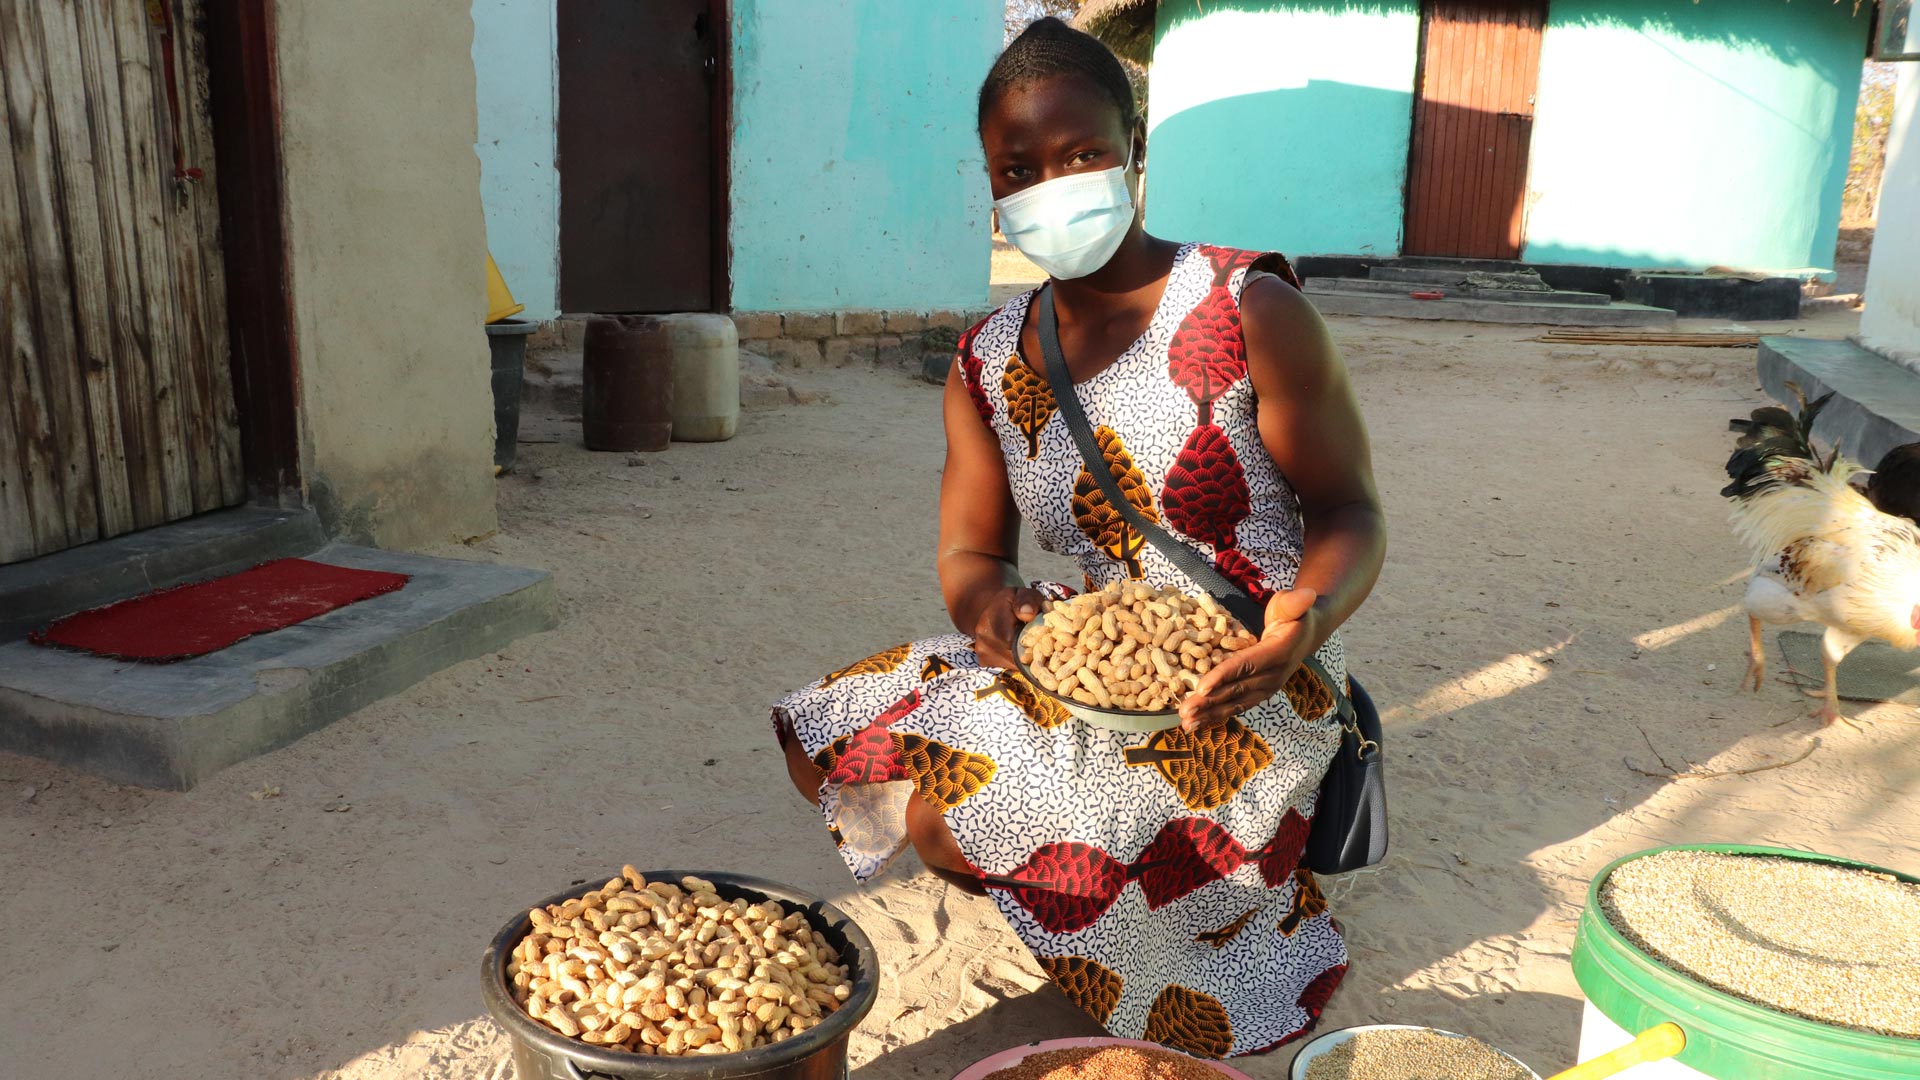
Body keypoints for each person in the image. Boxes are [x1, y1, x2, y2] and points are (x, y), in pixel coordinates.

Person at [772, 17, 1386, 1058]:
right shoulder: (989, 357)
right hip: (1087, 651)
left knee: (962, 820)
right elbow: (971, 553)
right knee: (824, 734)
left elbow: (1350, 513)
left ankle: (1184, 888)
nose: (1052, 185)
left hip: (1247, 677)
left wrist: (1303, 625)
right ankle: (1038, 856)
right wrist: (991, 612)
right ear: (993, 186)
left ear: (1134, 149)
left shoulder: (1248, 305)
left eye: (1083, 155)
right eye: (1020, 168)